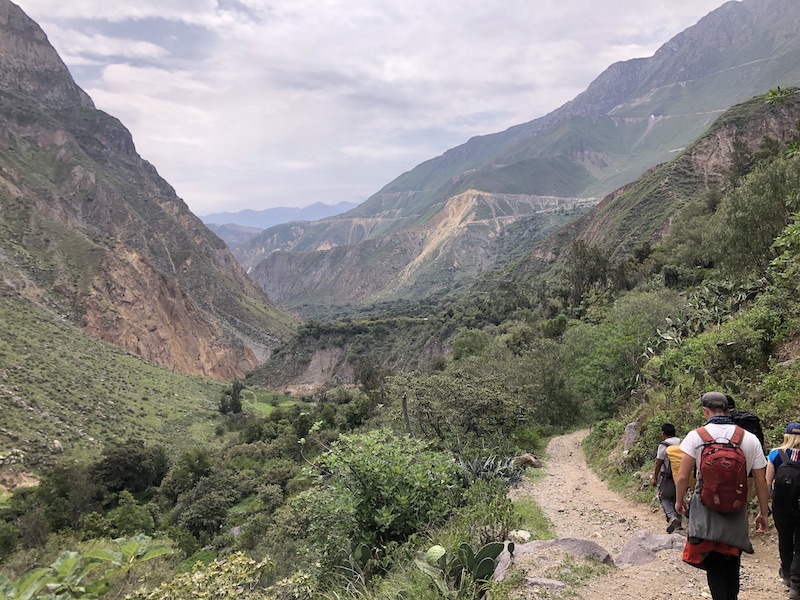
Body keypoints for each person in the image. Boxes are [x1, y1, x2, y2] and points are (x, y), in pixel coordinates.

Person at [675, 391, 770, 600]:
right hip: (736, 508)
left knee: (714, 561)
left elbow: (682, 477)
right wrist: (764, 513)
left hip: (705, 507)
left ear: (705, 411)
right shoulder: (749, 438)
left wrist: (679, 500)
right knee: (731, 558)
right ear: (728, 410)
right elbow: (761, 481)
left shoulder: (696, 436)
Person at [766, 421, 800, 597]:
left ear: (786, 435)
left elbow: (767, 482)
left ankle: (786, 574)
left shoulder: (775, 454)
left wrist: (768, 504)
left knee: (785, 540)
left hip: (781, 506)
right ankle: (796, 584)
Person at [651, 422, 683, 533]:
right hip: (682, 477)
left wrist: (655, 478)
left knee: (663, 497)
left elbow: (658, 463)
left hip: (667, 478)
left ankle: (672, 517)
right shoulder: (682, 442)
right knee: (677, 498)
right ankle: (679, 524)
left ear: (663, 433)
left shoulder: (664, 445)